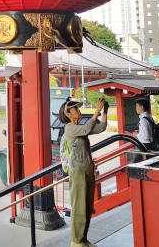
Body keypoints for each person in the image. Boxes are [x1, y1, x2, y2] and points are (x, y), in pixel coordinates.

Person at [60, 97, 108, 247]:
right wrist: (97, 111)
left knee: (87, 206)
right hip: (78, 172)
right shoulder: (70, 128)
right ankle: (76, 241)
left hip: (87, 170)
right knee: (79, 207)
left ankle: (83, 239)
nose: (78, 111)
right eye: (75, 109)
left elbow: (101, 128)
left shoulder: (79, 126)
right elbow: (88, 128)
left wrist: (105, 111)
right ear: (68, 114)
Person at [133, 98, 154, 162]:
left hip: (144, 146)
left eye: (137, 106)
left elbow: (146, 136)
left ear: (142, 107)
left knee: (136, 164)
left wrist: (136, 135)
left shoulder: (143, 120)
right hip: (150, 145)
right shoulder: (149, 117)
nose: (136, 108)